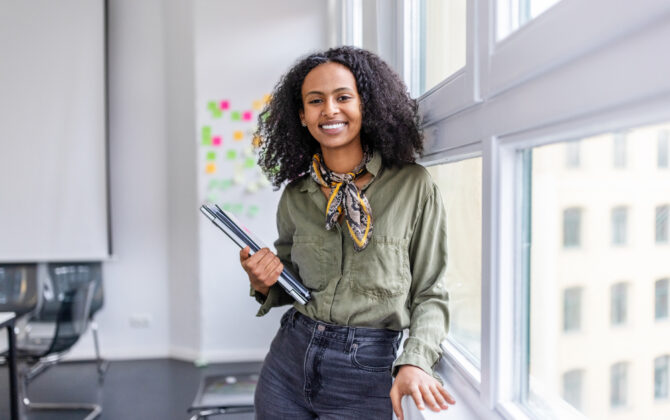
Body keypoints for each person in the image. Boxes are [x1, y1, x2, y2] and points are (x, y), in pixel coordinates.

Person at [239, 46, 454, 419]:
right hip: (288, 361)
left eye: (343, 97)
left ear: (365, 106)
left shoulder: (413, 186)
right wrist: (261, 280)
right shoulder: (296, 195)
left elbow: (430, 292)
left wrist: (416, 360)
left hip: (367, 373)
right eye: (315, 101)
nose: (330, 110)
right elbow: (289, 280)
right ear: (303, 116)